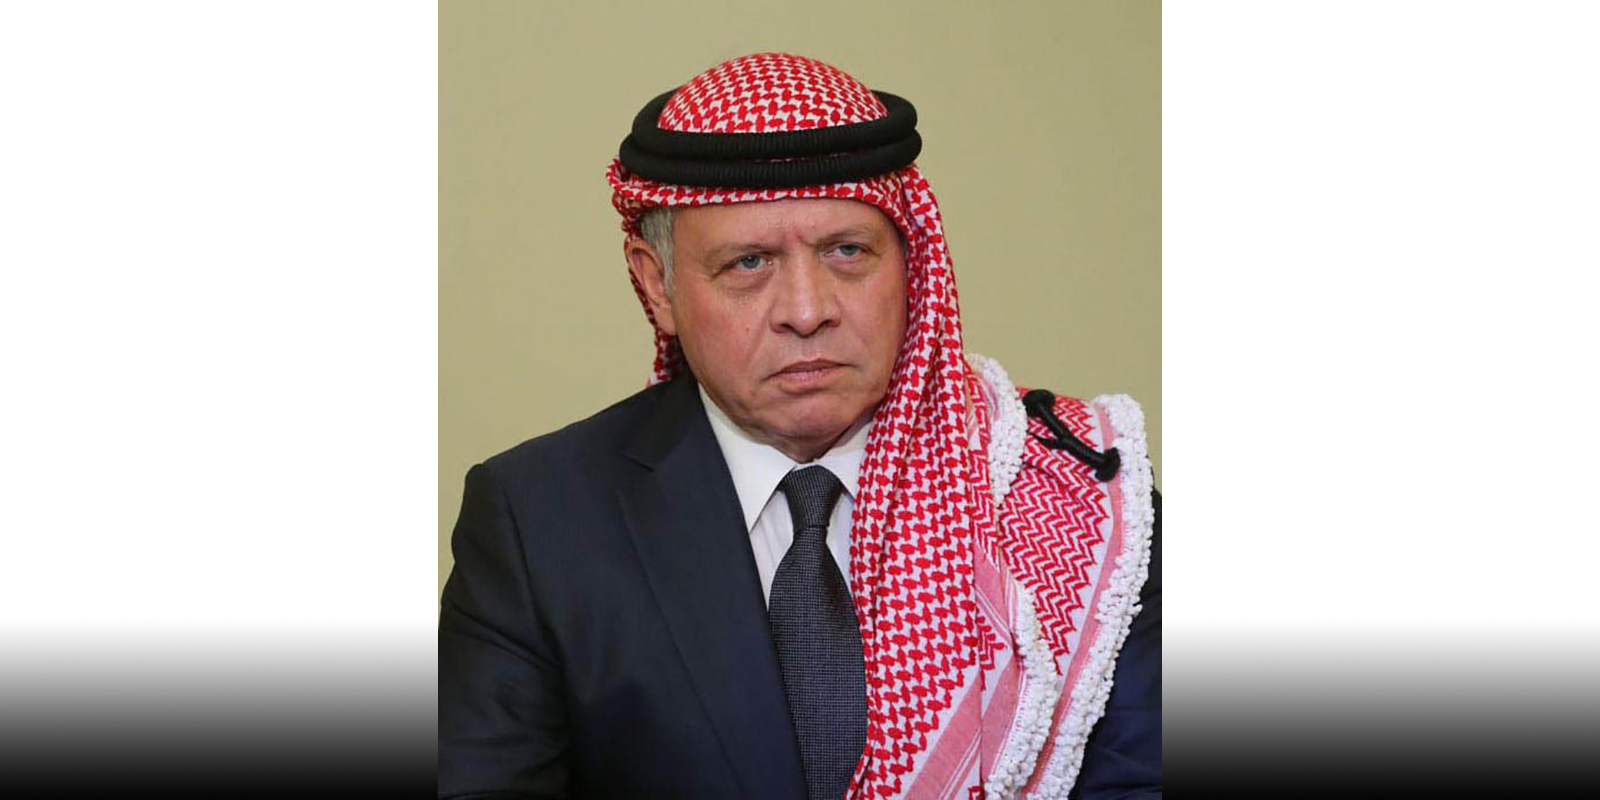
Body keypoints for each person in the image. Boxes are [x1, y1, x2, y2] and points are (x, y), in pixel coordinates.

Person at [439, 53, 1160, 800]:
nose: (808, 310)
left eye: (847, 252)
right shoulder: (539, 521)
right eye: (748, 263)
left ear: (910, 262)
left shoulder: (1077, 495)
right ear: (658, 286)